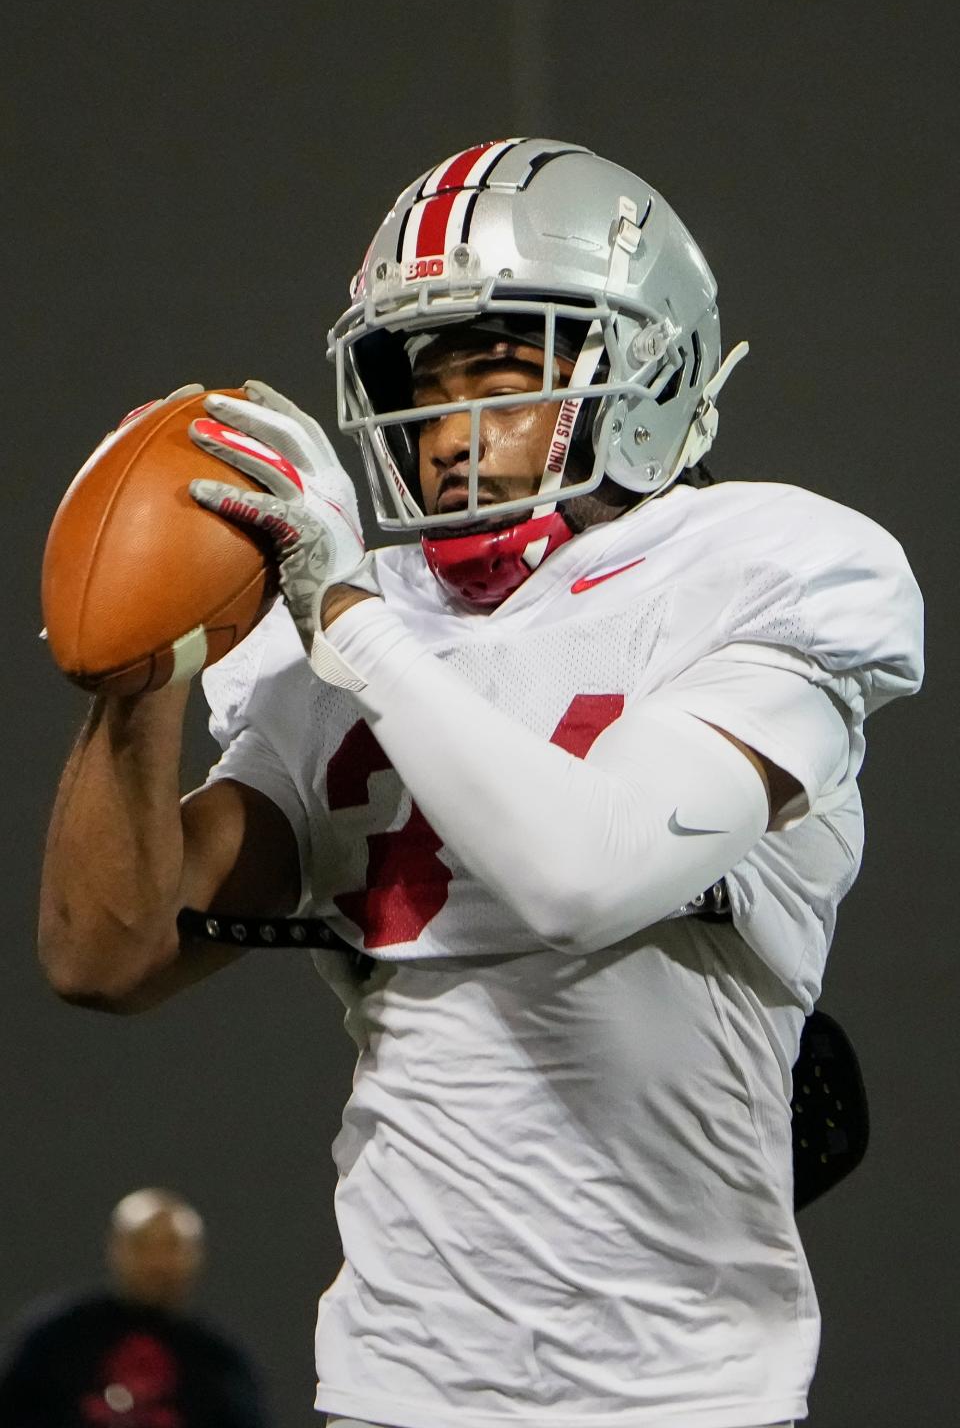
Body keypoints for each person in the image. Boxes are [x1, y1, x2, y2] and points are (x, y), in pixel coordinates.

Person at [38, 138, 923, 1428]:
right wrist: (148, 668)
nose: (452, 428)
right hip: (397, 1384)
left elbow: (584, 872)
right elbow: (105, 957)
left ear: (649, 369)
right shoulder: (349, 627)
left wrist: (348, 614)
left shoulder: (769, 573)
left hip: (682, 1395)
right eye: (423, 379)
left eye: (503, 372)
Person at [0, 1188, 268, 1426]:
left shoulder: (218, 1361)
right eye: (143, 1245)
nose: (157, 1262)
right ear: (115, 1248)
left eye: (172, 1247)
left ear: (196, 1257)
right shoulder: (56, 1339)